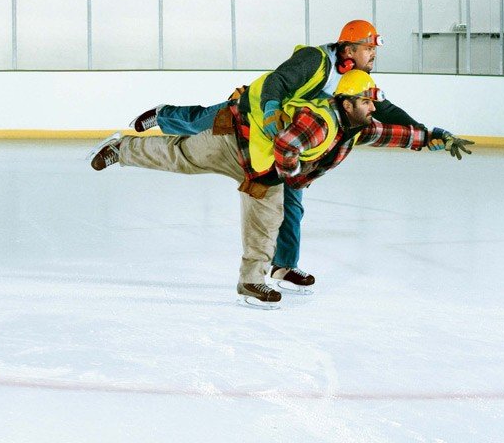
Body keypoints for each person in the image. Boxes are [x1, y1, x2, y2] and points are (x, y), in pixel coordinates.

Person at [122, 20, 473, 291]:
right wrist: (271, 110)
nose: (373, 55)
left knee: (293, 202)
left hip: (293, 137)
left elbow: (386, 111)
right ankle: (162, 115)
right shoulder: (315, 59)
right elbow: (277, 81)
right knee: (199, 121)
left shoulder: (356, 80)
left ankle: (284, 265)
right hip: (256, 112)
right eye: (368, 48)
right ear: (349, 47)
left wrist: (427, 132)